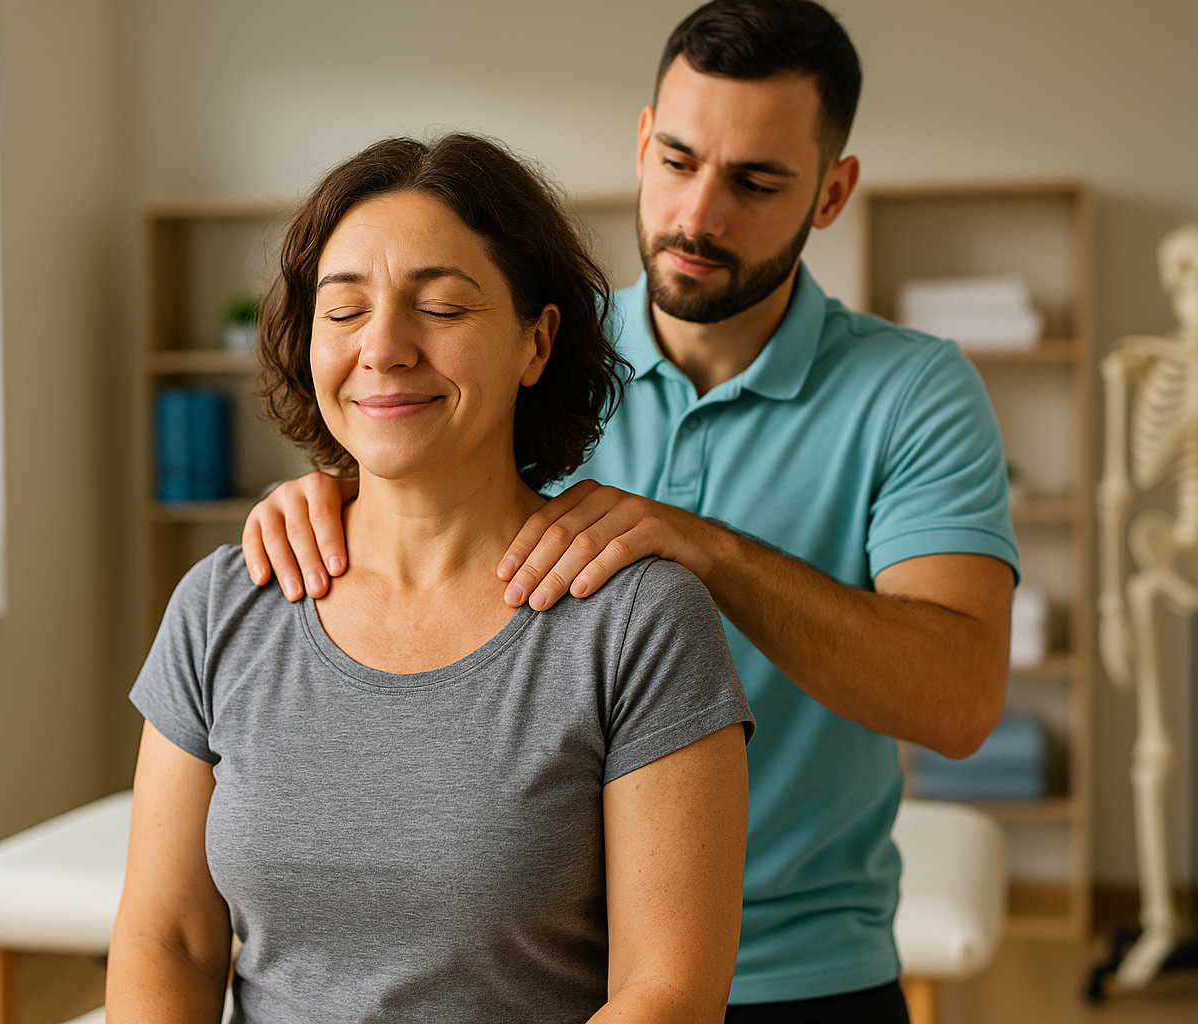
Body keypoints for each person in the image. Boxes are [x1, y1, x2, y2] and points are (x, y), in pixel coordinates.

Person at [243, 2, 1020, 1021]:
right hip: (545, 966)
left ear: (832, 192)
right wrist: (334, 489)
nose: (699, 214)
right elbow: (405, 465)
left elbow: (957, 701)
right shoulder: (532, 355)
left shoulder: (914, 390)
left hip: (800, 968)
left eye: (756, 182)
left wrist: (702, 548)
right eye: (679, 161)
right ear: (643, 140)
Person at [108, 134, 754, 1024]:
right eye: (343, 312)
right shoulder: (224, 603)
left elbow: (668, 991)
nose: (384, 348)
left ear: (537, 342)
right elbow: (166, 939)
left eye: (443, 307)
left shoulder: (638, 622)